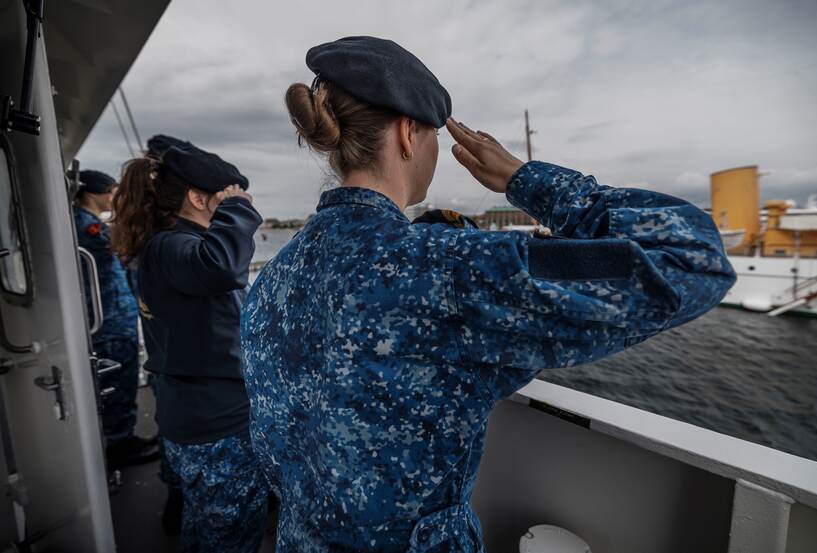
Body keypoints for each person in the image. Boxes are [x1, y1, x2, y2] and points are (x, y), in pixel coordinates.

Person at [241, 36, 736, 552]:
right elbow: (691, 256)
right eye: (434, 137)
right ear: (410, 134)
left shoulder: (273, 277)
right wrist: (528, 180)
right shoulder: (443, 267)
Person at [111, 136, 268, 553]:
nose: (242, 202)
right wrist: (236, 210)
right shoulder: (173, 245)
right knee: (230, 539)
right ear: (199, 198)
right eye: (228, 196)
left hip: (200, 420)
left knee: (204, 532)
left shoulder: (173, 246)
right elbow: (220, 269)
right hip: (216, 427)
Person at [72, 169, 159, 469]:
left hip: (115, 317)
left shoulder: (90, 224)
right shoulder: (87, 227)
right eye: (110, 190)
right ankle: (119, 444)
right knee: (118, 382)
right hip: (110, 322)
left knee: (122, 379)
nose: (113, 196)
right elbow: (122, 243)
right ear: (93, 193)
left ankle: (122, 438)